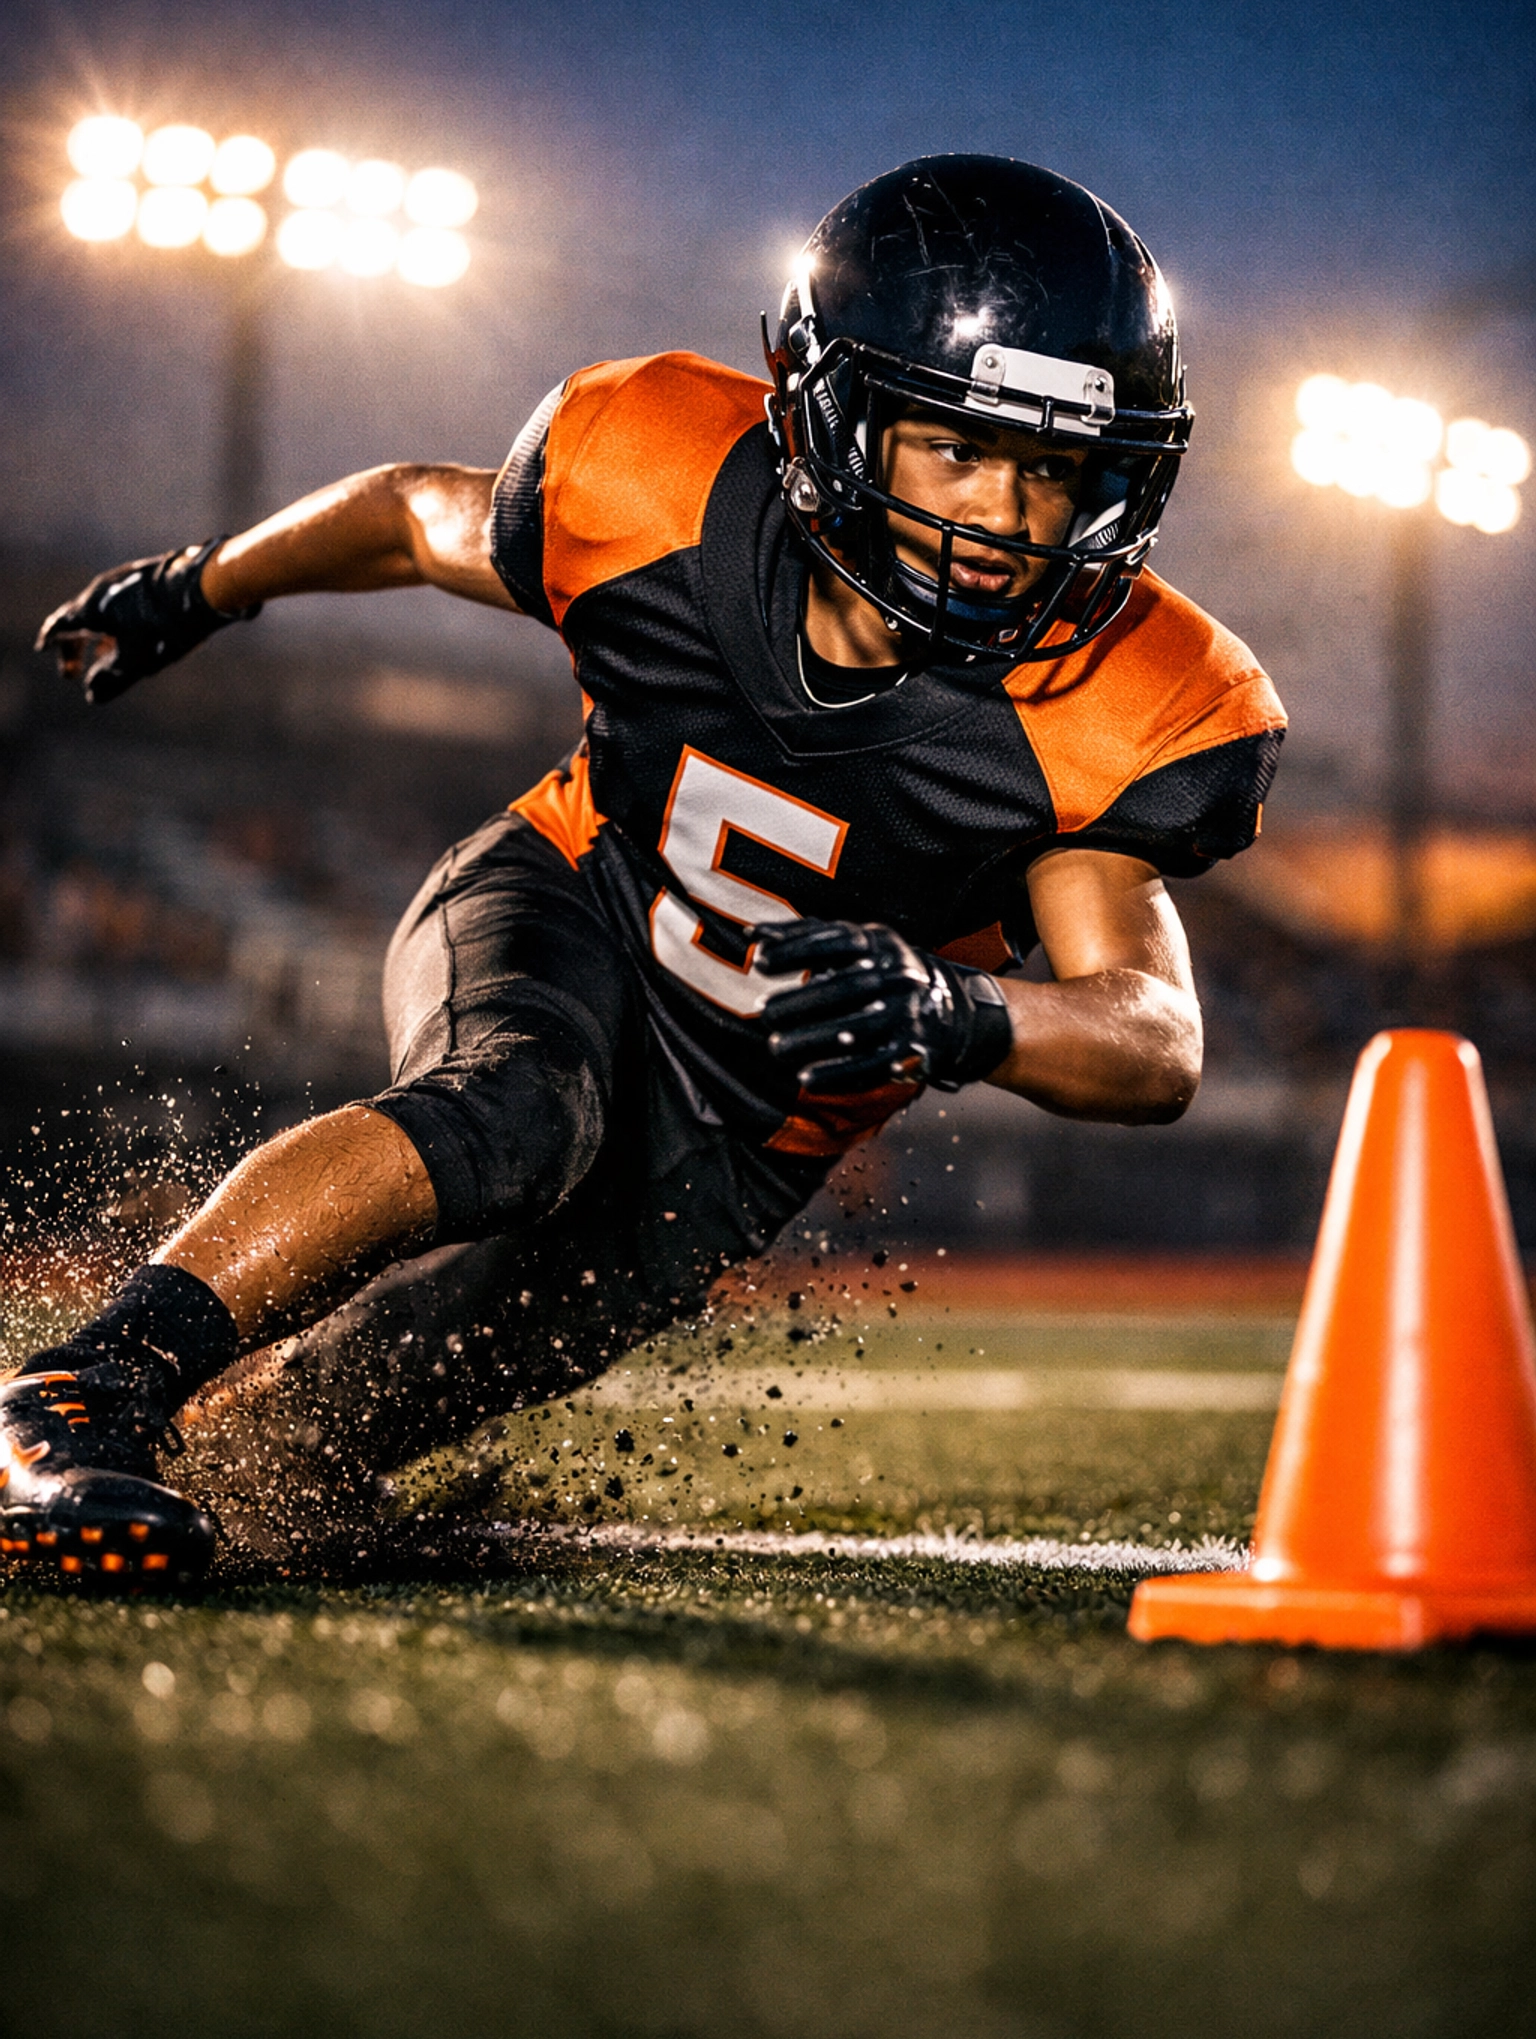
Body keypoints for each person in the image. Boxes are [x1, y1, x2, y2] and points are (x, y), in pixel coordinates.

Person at [0, 155, 1285, 1582]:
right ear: (834, 416)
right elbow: (416, 515)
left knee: (381, 1397)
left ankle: (160, 1474)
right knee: (513, 1107)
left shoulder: (1114, 696)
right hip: (570, 896)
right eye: (959, 448)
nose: (1009, 516)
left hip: (743, 1128)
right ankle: (74, 1389)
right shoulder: (665, 488)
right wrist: (202, 583)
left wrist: (958, 1012)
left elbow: (1156, 1038)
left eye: (1055, 469)